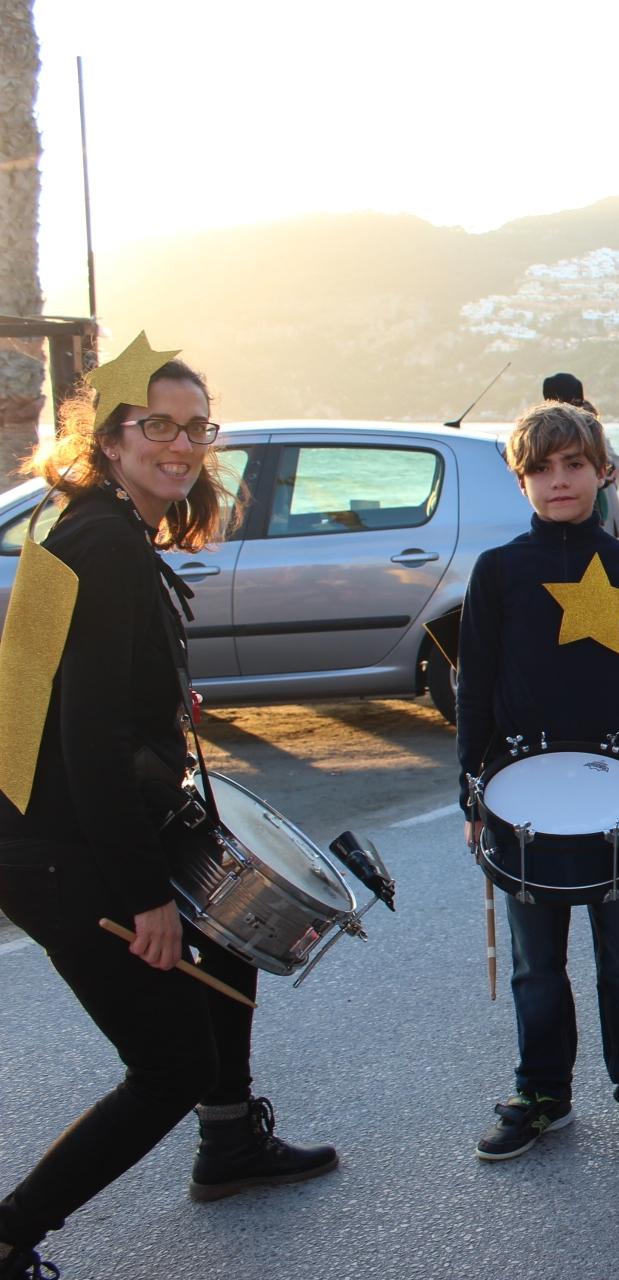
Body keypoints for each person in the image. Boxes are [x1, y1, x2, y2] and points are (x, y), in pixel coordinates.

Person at [0, 356, 336, 1280]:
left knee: (228, 939)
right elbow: (87, 742)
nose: (181, 445)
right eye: (158, 425)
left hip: (49, 828)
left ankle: (230, 1143)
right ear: (109, 439)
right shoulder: (106, 548)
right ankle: (12, 1233)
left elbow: (59, 698)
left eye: (196, 427)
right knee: (167, 1066)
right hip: (60, 846)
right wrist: (145, 895)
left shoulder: (83, 523)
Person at [455, 401, 619, 1165]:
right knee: (535, 964)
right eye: (542, 469)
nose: (559, 481)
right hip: (518, 799)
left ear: (603, 471)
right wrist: (471, 795)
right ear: (521, 479)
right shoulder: (497, 572)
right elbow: (474, 689)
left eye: (574, 465)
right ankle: (541, 1091)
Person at [543, 373, 619, 540]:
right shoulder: (589, 423)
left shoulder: (582, 427)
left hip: (595, 507)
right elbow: (614, 464)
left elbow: (609, 464)